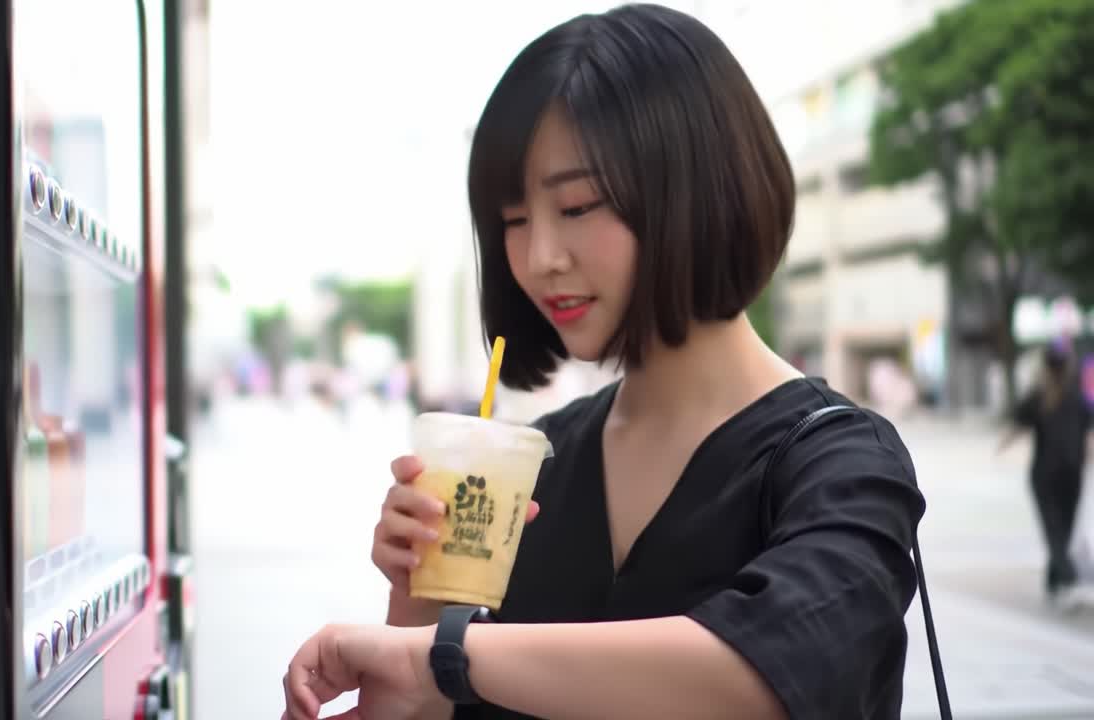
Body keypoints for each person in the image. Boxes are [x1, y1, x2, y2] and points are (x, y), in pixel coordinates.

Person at [281, 6, 926, 719]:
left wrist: (445, 654)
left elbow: (776, 668)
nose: (538, 258)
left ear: (696, 189)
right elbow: (434, 701)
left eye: (578, 206)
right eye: (514, 220)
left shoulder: (841, 464)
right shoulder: (535, 469)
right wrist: (420, 606)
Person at [999, 341, 1092, 607]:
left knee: (1054, 529)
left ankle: (1062, 577)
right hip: (1071, 473)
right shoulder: (1076, 399)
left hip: (1045, 475)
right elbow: (1089, 437)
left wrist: (1002, 446)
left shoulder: (1039, 396)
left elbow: (1018, 426)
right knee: (1062, 528)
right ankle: (1062, 578)